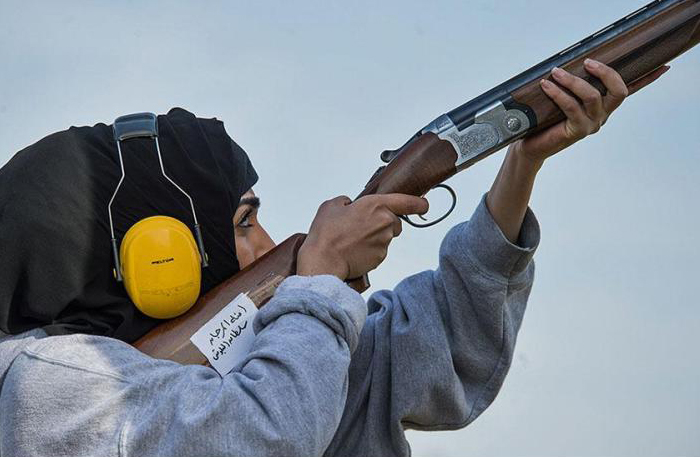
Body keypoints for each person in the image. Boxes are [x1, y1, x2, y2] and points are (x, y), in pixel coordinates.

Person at [0, 60, 668, 457]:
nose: (269, 246)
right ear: (160, 261)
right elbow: (268, 436)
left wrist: (521, 163)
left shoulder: (273, 358)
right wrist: (319, 278)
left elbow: (440, 352)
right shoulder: (44, 389)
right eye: (243, 222)